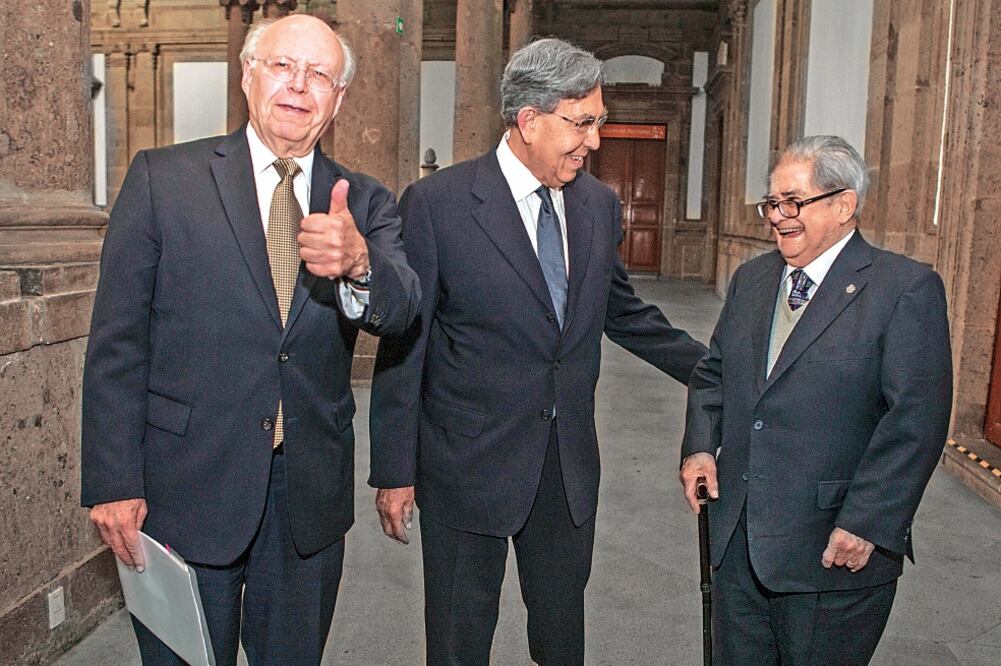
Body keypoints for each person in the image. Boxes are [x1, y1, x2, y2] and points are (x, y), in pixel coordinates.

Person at [81, 15, 419, 666]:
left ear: (339, 98)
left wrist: (360, 264)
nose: (298, 85)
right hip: (183, 485)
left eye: (319, 74)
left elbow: (403, 310)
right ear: (247, 75)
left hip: (306, 495)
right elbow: (117, 344)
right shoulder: (162, 180)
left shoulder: (365, 202)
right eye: (282, 65)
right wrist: (112, 480)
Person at [369, 38, 707, 665]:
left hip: (565, 467)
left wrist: (716, 370)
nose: (594, 141)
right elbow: (406, 344)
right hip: (465, 464)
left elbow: (624, 312)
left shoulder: (598, 205)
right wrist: (394, 469)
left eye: (598, 122)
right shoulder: (439, 205)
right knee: (458, 641)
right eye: (582, 123)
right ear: (529, 119)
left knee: (560, 639)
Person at [679, 135, 952, 665]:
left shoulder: (903, 289)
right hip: (738, 543)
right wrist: (700, 447)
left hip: (833, 552)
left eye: (793, 202)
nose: (777, 217)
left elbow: (916, 422)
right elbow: (714, 374)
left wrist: (866, 523)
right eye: (772, 203)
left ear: (844, 205)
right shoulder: (752, 279)